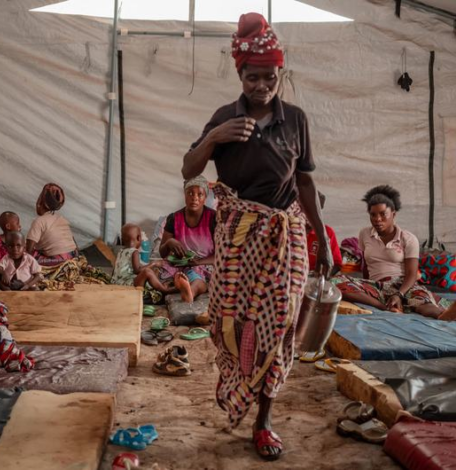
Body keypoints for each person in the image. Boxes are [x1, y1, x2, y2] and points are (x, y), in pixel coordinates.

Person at [182, 13, 332, 460]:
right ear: (239, 74)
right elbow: (189, 169)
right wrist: (215, 138)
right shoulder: (224, 118)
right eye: (253, 76)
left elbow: (304, 184)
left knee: (280, 329)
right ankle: (236, 385)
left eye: (269, 76)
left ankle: (264, 420)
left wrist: (322, 240)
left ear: (279, 74)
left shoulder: (296, 120)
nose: (262, 84)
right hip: (237, 239)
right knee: (232, 327)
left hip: (285, 238)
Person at [335, 185, 456, 320]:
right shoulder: (365, 234)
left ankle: (443, 315)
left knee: (420, 301)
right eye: (373, 214)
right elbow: (366, 266)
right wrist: (365, 286)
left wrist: (399, 294)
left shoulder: (408, 238)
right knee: (335, 281)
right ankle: (385, 308)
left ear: (393, 213)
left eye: (383, 214)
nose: (377, 219)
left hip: (403, 285)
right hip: (377, 286)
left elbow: (411, 274)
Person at [157, 176, 216, 303]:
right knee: (156, 270)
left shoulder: (213, 219)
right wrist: (169, 242)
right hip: (179, 264)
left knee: (197, 278)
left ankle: (190, 292)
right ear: (184, 195)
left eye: (200, 194)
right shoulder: (174, 218)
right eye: (190, 193)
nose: (194, 197)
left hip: (204, 265)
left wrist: (199, 262)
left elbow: (221, 255)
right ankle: (178, 285)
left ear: (205, 197)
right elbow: (162, 253)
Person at [112, 223, 175, 295]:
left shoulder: (121, 251)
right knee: (147, 272)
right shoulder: (134, 252)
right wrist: (154, 263)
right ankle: (164, 290)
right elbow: (137, 270)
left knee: (151, 270)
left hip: (116, 282)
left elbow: (116, 269)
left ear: (122, 239)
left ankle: (159, 285)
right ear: (139, 238)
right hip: (127, 284)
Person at [26, 183, 79, 266]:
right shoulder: (62, 218)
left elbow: (29, 250)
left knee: (28, 255)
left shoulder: (39, 221)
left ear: (40, 202)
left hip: (60, 260)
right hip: (74, 256)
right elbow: (74, 242)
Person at [306, 192, 342, 276]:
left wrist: (321, 276)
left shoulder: (328, 232)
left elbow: (337, 264)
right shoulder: (291, 230)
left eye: (314, 212)